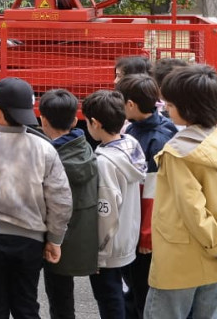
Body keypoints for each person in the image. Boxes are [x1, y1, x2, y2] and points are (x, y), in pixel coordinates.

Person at [145, 65, 217, 319]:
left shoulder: (177, 153)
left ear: (187, 108)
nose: (166, 109)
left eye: (170, 105)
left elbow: (193, 209)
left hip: (180, 257)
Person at [0, 77, 72, 319]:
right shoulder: (45, 149)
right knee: (26, 304)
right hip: (29, 240)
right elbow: (61, 199)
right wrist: (55, 239)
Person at [115, 73, 177, 318]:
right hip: (136, 218)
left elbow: (153, 192)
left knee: (142, 289)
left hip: (145, 226)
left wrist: (146, 235)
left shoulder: (156, 139)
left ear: (131, 104)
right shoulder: (137, 127)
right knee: (133, 286)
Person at [83, 89, 147, 319]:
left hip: (108, 249)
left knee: (109, 300)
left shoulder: (104, 163)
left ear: (95, 123)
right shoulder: (131, 145)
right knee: (124, 297)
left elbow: (105, 213)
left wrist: (98, 255)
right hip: (127, 239)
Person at [35, 89, 98, 319]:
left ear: (42, 120)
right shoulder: (86, 149)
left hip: (54, 238)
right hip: (82, 237)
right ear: (74, 121)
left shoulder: (49, 159)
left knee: (58, 296)